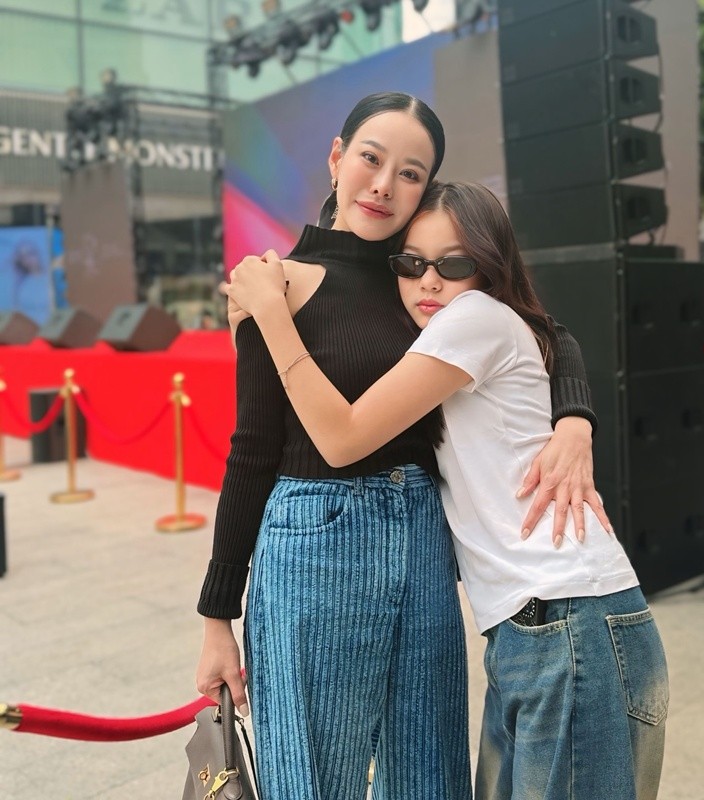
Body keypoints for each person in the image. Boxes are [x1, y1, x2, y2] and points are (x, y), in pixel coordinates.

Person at [196, 92, 604, 800]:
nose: (384, 184)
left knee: (431, 776)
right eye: (371, 158)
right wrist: (216, 619)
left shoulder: (423, 279)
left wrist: (575, 419)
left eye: (410, 173)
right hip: (313, 543)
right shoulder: (274, 284)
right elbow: (252, 450)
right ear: (336, 158)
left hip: (423, 539)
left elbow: (543, 329)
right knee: (313, 783)